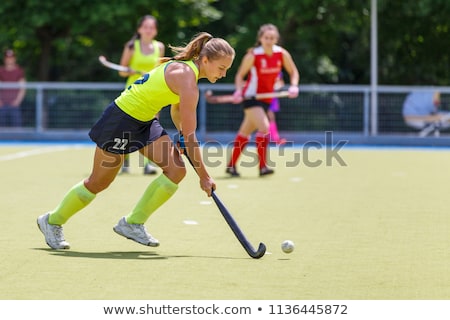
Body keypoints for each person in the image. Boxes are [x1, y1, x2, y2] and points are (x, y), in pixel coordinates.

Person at [37, 32, 235, 250]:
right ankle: (52, 220)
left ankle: (133, 223)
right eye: (221, 68)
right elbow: (190, 137)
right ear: (205, 60)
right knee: (98, 182)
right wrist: (205, 176)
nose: (224, 74)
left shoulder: (189, 73)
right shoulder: (187, 79)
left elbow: (178, 111)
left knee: (176, 170)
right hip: (121, 119)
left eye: (227, 69)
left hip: (145, 121)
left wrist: (179, 134)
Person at [226, 24, 299, 177]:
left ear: (276, 39)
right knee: (265, 128)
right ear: (260, 39)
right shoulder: (253, 55)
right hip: (251, 98)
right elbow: (240, 76)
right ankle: (263, 167)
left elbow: (293, 72)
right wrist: (239, 90)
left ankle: (231, 166)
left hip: (266, 99)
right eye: (266, 38)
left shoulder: (281, 54)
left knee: (245, 132)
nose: (269, 41)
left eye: (272, 38)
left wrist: (293, 86)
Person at [119, 15, 165, 175]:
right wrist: (129, 71)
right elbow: (121, 70)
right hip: (132, 93)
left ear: (156, 31)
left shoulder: (159, 47)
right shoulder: (131, 46)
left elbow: (160, 70)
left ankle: (148, 164)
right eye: (145, 27)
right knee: (127, 128)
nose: (148, 30)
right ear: (139, 29)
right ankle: (123, 162)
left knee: (151, 129)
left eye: (151, 27)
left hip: (152, 93)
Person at [0, 49, 26, 127]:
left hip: (14, 104)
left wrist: (17, 101)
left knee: (17, 127)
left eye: (11, 57)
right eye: (7, 58)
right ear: (4, 59)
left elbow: (23, 88)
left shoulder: (19, 71)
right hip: (2, 104)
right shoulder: (1, 71)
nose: (9, 60)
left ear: (14, 58)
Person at [267, 72, 286, 145]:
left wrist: (277, 86)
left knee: (270, 118)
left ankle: (273, 138)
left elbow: (281, 83)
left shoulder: (278, 71)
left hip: (272, 97)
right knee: (269, 118)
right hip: (266, 97)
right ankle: (275, 139)